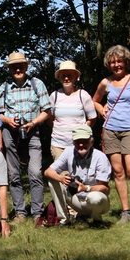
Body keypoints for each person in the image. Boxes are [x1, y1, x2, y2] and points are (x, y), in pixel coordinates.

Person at [92, 45, 130, 225]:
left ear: (126, 62)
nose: (116, 65)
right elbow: (94, 100)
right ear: (108, 64)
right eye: (112, 62)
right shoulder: (105, 82)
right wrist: (102, 110)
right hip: (111, 130)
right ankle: (126, 212)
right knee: (118, 172)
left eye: (119, 61)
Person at [0, 52, 51, 222]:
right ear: (10, 68)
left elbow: (47, 111)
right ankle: (20, 212)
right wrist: (8, 120)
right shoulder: (4, 87)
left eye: (21, 65)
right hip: (10, 134)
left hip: (32, 131)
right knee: (13, 174)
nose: (18, 69)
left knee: (35, 172)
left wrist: (33, 123)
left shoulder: (37, 84)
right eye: (14, 66)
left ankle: (37, 213)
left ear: (27, 66)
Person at [47, 60, 97, 223]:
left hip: (78, 146)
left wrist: (82, 134)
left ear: (75, 77)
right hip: (58, 144)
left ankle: (80, 210)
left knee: (78, 177)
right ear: (59, 77)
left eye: (70, 75)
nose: (66, 78)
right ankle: (66, 213)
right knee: (61, 178)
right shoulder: (54, 96)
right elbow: (50, 118)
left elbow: (92, 118)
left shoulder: (83, 95)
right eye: (63, 75)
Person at [44, 124, 111, 226]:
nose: (81, 145)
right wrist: (60, 178)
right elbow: (47, 171)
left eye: (84, 141)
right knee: (53, 180)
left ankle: (97, 220)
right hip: (75, 198)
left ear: (91, 141)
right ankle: (64, 220)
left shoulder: (100, 157)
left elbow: (105, 188)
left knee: (96, 198)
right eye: (78, 141)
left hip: (95, 199)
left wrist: (86, 188)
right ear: (73, 142)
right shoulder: (68, 152)